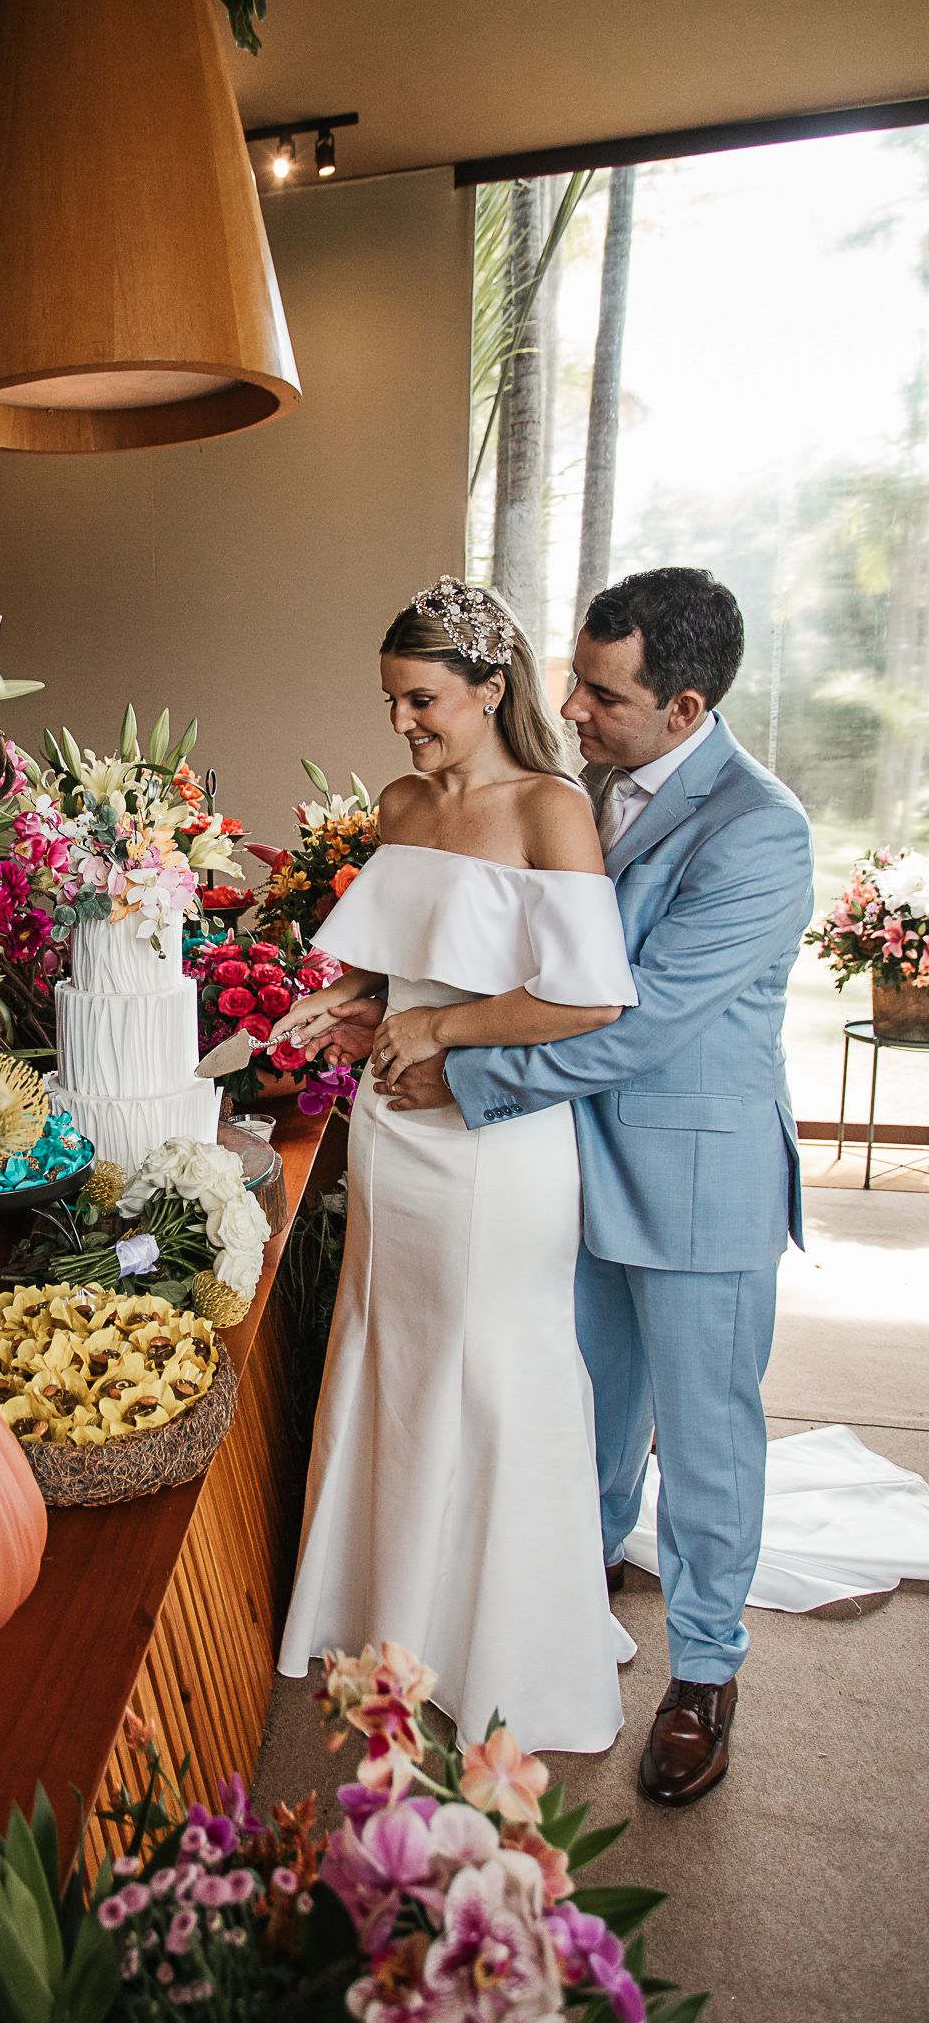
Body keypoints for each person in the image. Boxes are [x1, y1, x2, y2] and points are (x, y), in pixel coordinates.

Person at [309, 566, 813, 1808]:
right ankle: (544, 1611)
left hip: (688, 1173)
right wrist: (382, 1002)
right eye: (574, 680)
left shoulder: (760, 828)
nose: (571, 706)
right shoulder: (573, 791)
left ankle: (704, 1674)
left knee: (703, 1439)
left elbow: (637, 1022)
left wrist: (458, 1064)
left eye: (602, 692)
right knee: (578, 1416)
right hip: (565, 1163)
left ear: (684, 707)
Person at [276, 576, 638, 1754]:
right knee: (388, 1346)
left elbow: (587, 998)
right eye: (390, 701)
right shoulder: (398, 801)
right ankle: (390, 1619)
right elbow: (408, 964)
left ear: (490, 689)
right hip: (391, 1133)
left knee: (492, 1365)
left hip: (495, 1151)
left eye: (423, 699)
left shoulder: (550, 810)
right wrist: (352, 1001)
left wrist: (440, 1029)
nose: (403, 724)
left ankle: (508, 1650)